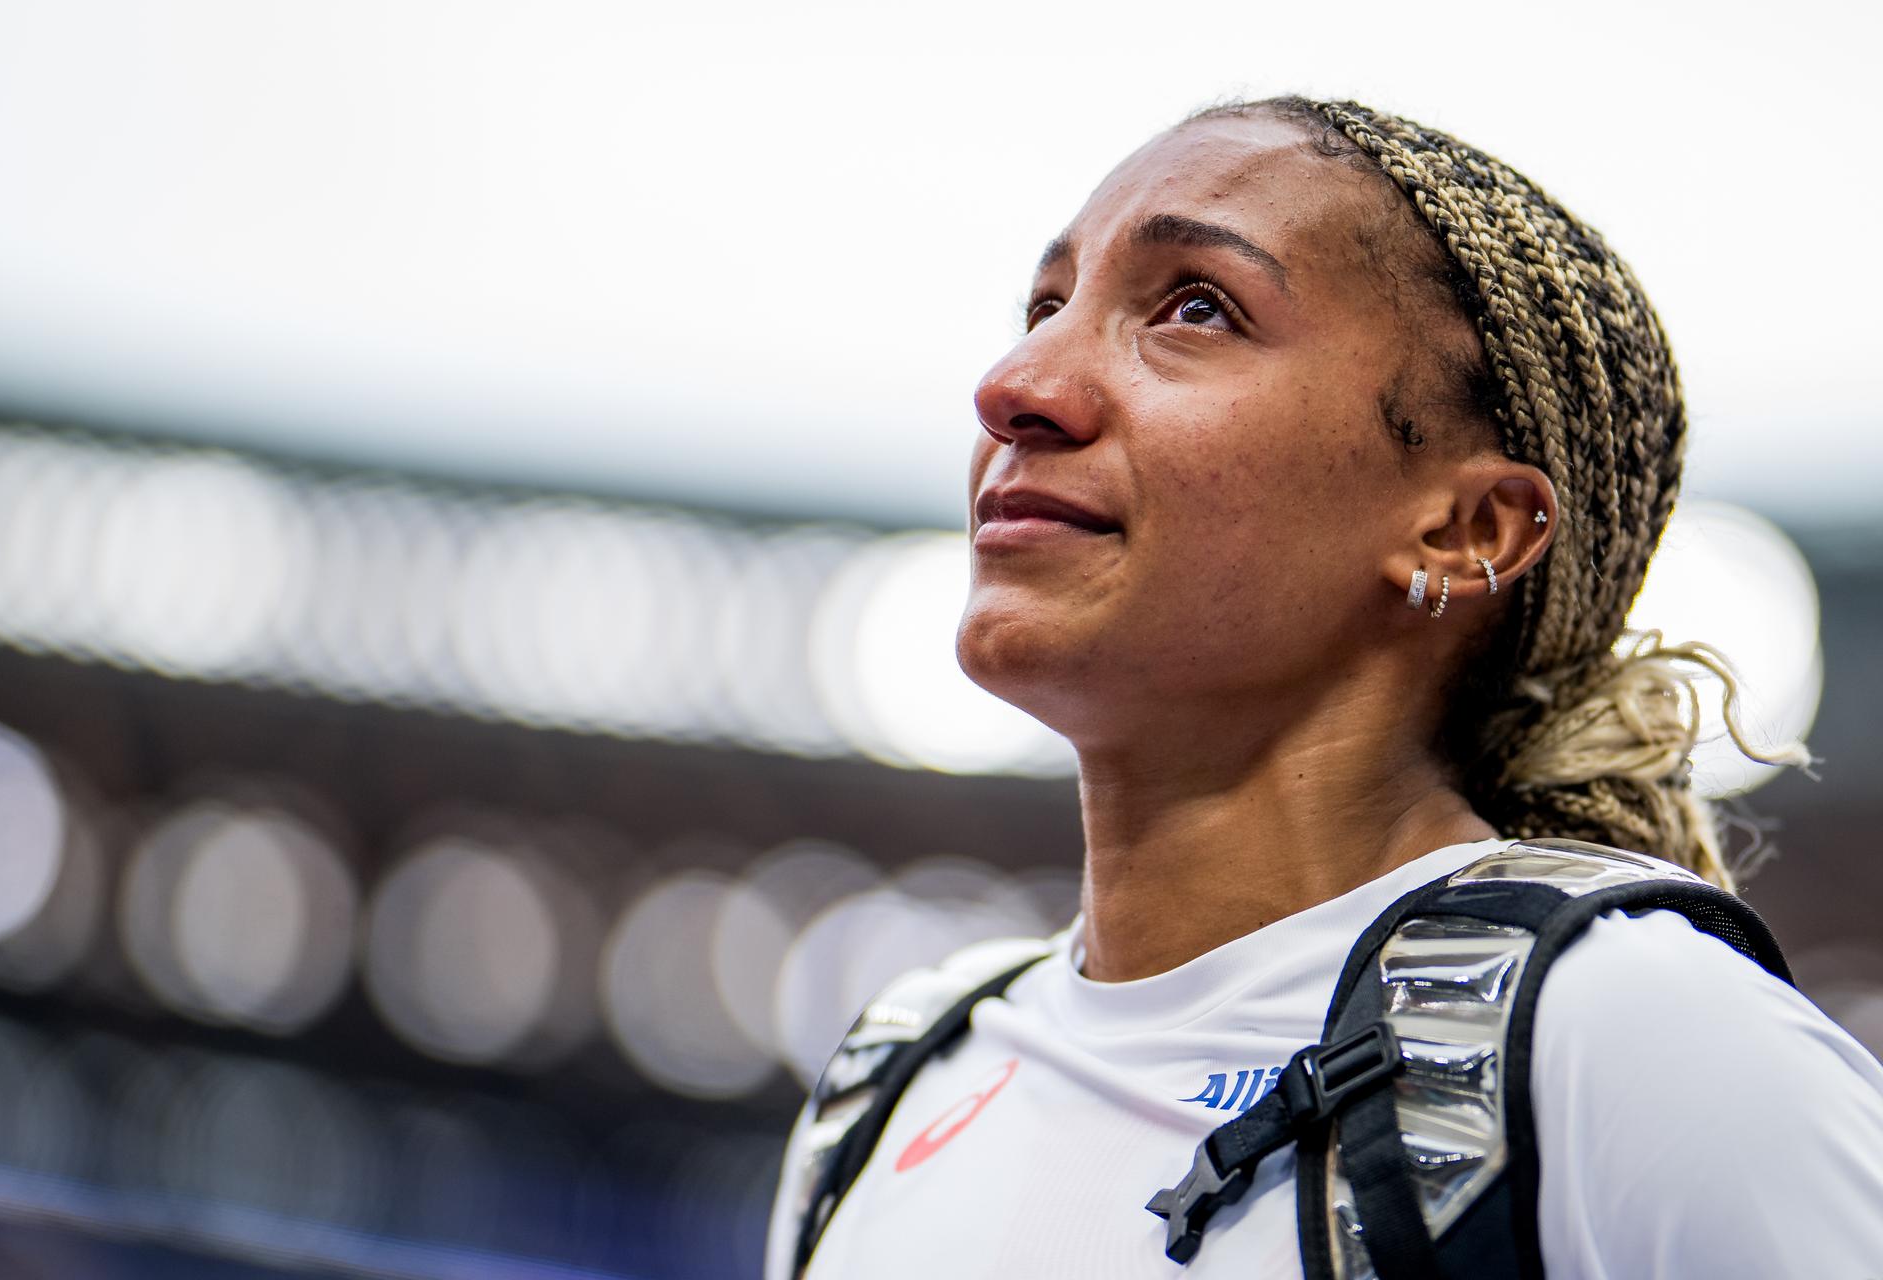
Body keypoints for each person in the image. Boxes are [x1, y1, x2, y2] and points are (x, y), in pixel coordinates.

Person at [764, 96, 1883, 1278]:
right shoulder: (892, 1079)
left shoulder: (1630, 1036)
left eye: (1197, 307)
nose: (1016, 382)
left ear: (1467, 529)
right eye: (1046, 306)